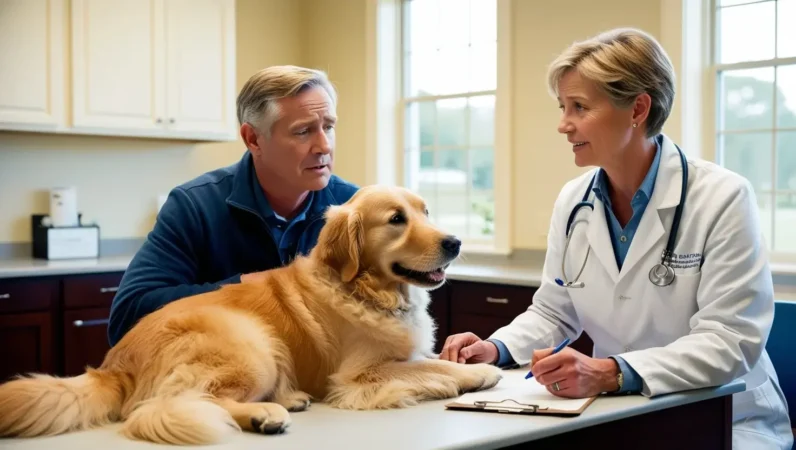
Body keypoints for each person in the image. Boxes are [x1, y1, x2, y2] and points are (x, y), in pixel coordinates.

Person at [439, 28, 793, 448]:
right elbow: (554, 313)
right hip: (621, 414)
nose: (563, 124)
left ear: (638, 109)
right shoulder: (574, 202)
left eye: (579, 107)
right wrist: (495, 348)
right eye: (562, 106)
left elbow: (729, 342)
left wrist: (611, 371)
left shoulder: (722, 197)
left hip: (726, 417)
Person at [108, 65, 358, 346]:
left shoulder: (353, 207)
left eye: (329, 127)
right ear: (253, 139)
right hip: (227, 373)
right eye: (303, 131)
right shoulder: (194, 205)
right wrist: (251, 288)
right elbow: (128, 317)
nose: (324, 146)